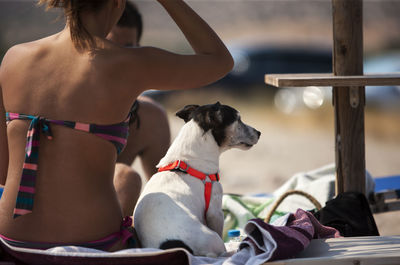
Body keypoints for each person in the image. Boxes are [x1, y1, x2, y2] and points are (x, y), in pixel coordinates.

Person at [0, 0, 233, 252]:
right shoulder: (127, 63)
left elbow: (3, 172)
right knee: (125, 177)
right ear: (117, 2)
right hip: (92, 242)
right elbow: (220, 61)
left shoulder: (14, 57)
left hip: (15, 241)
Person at [107, 1, 171, 218]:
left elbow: (165, 190)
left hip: (106, 225)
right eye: (111, 49)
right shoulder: (63, 102)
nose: (122, 59)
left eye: (130, 50)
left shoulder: (149, 117)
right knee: (125, 177)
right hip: (56, 215)